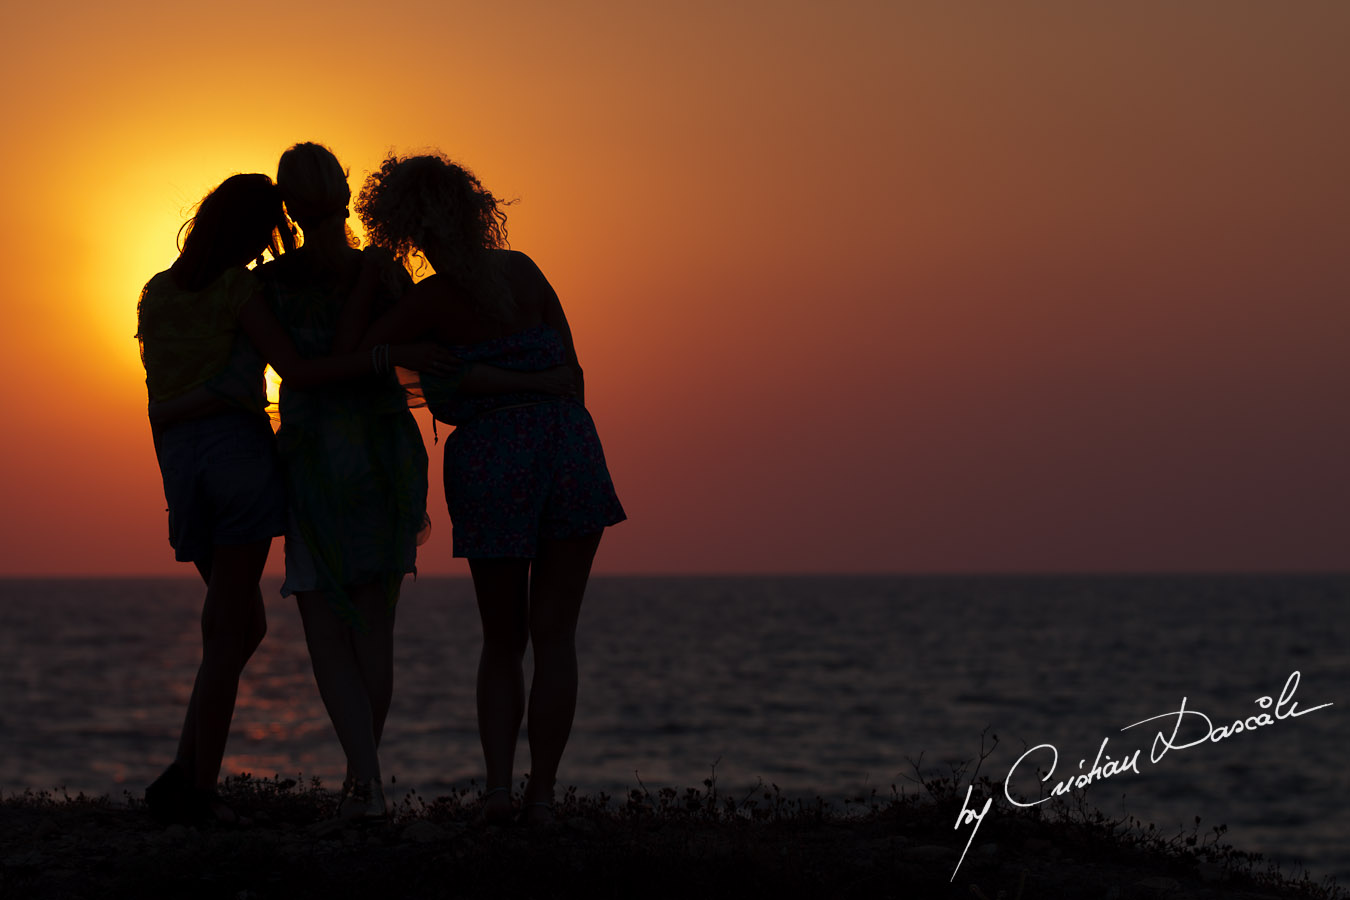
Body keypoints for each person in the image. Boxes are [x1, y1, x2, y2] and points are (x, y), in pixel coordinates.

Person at [262, 143, 575, 823]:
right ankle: (530, 794)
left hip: (391, 460)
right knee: (535, 634)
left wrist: (380, 300)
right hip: (489, 452)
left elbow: (346, 357)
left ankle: (422, 787)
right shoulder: (495, 272)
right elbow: (560, 374)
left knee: (483, 637)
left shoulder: (302, 287)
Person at [137, 173, 451, 825]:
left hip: (180, 465)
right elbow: (299, 370)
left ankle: (180, 770)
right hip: (238, 460)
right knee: (231, 631)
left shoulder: (156, 292)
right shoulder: (242, 287)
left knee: (236, 622)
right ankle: (198, 791)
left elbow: (158, 397)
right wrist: (387, 357)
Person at [355, 152, 626, 825]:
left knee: (502, 639)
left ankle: (501, 791)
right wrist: (544, 402)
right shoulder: (525, 271)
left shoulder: (429, 299)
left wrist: (456, 374)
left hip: (491, 460)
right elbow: (573, 369)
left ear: (405, 228)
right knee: (555, 635)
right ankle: (542, 794)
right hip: (569, 447)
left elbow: (361, 355)